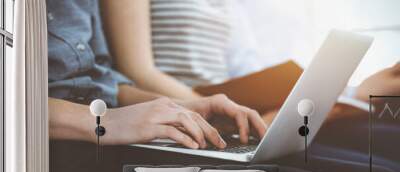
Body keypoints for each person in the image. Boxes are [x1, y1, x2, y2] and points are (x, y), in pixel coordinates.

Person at [102, 0, 400, 124]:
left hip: (223, 101)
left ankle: (353, 97)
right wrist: (218, 112)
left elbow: (245, 69)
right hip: (188, 104)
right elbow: (137, 71)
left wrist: (349, 93)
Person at [47, 0, 267, 150]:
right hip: (64, 145)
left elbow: (103, 82)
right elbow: (13, 101)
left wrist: (185, 107)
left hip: (104, 133)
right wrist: (110, 121)